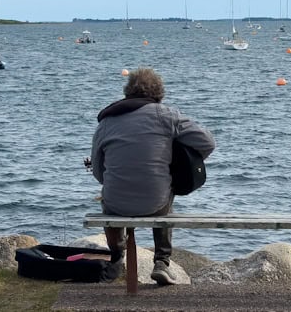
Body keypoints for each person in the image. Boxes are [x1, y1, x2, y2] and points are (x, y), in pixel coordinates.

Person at [89, 67, 215, 285]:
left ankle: (117, 255)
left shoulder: (106, 122)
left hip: (117, 206)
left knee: (107, 194)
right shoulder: (167, 115)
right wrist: (180, 160)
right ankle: (162, 262)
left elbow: (99, 174)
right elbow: (207, 143)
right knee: (166, 188)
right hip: (155, 204)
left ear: (128, 92)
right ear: (159, 93)